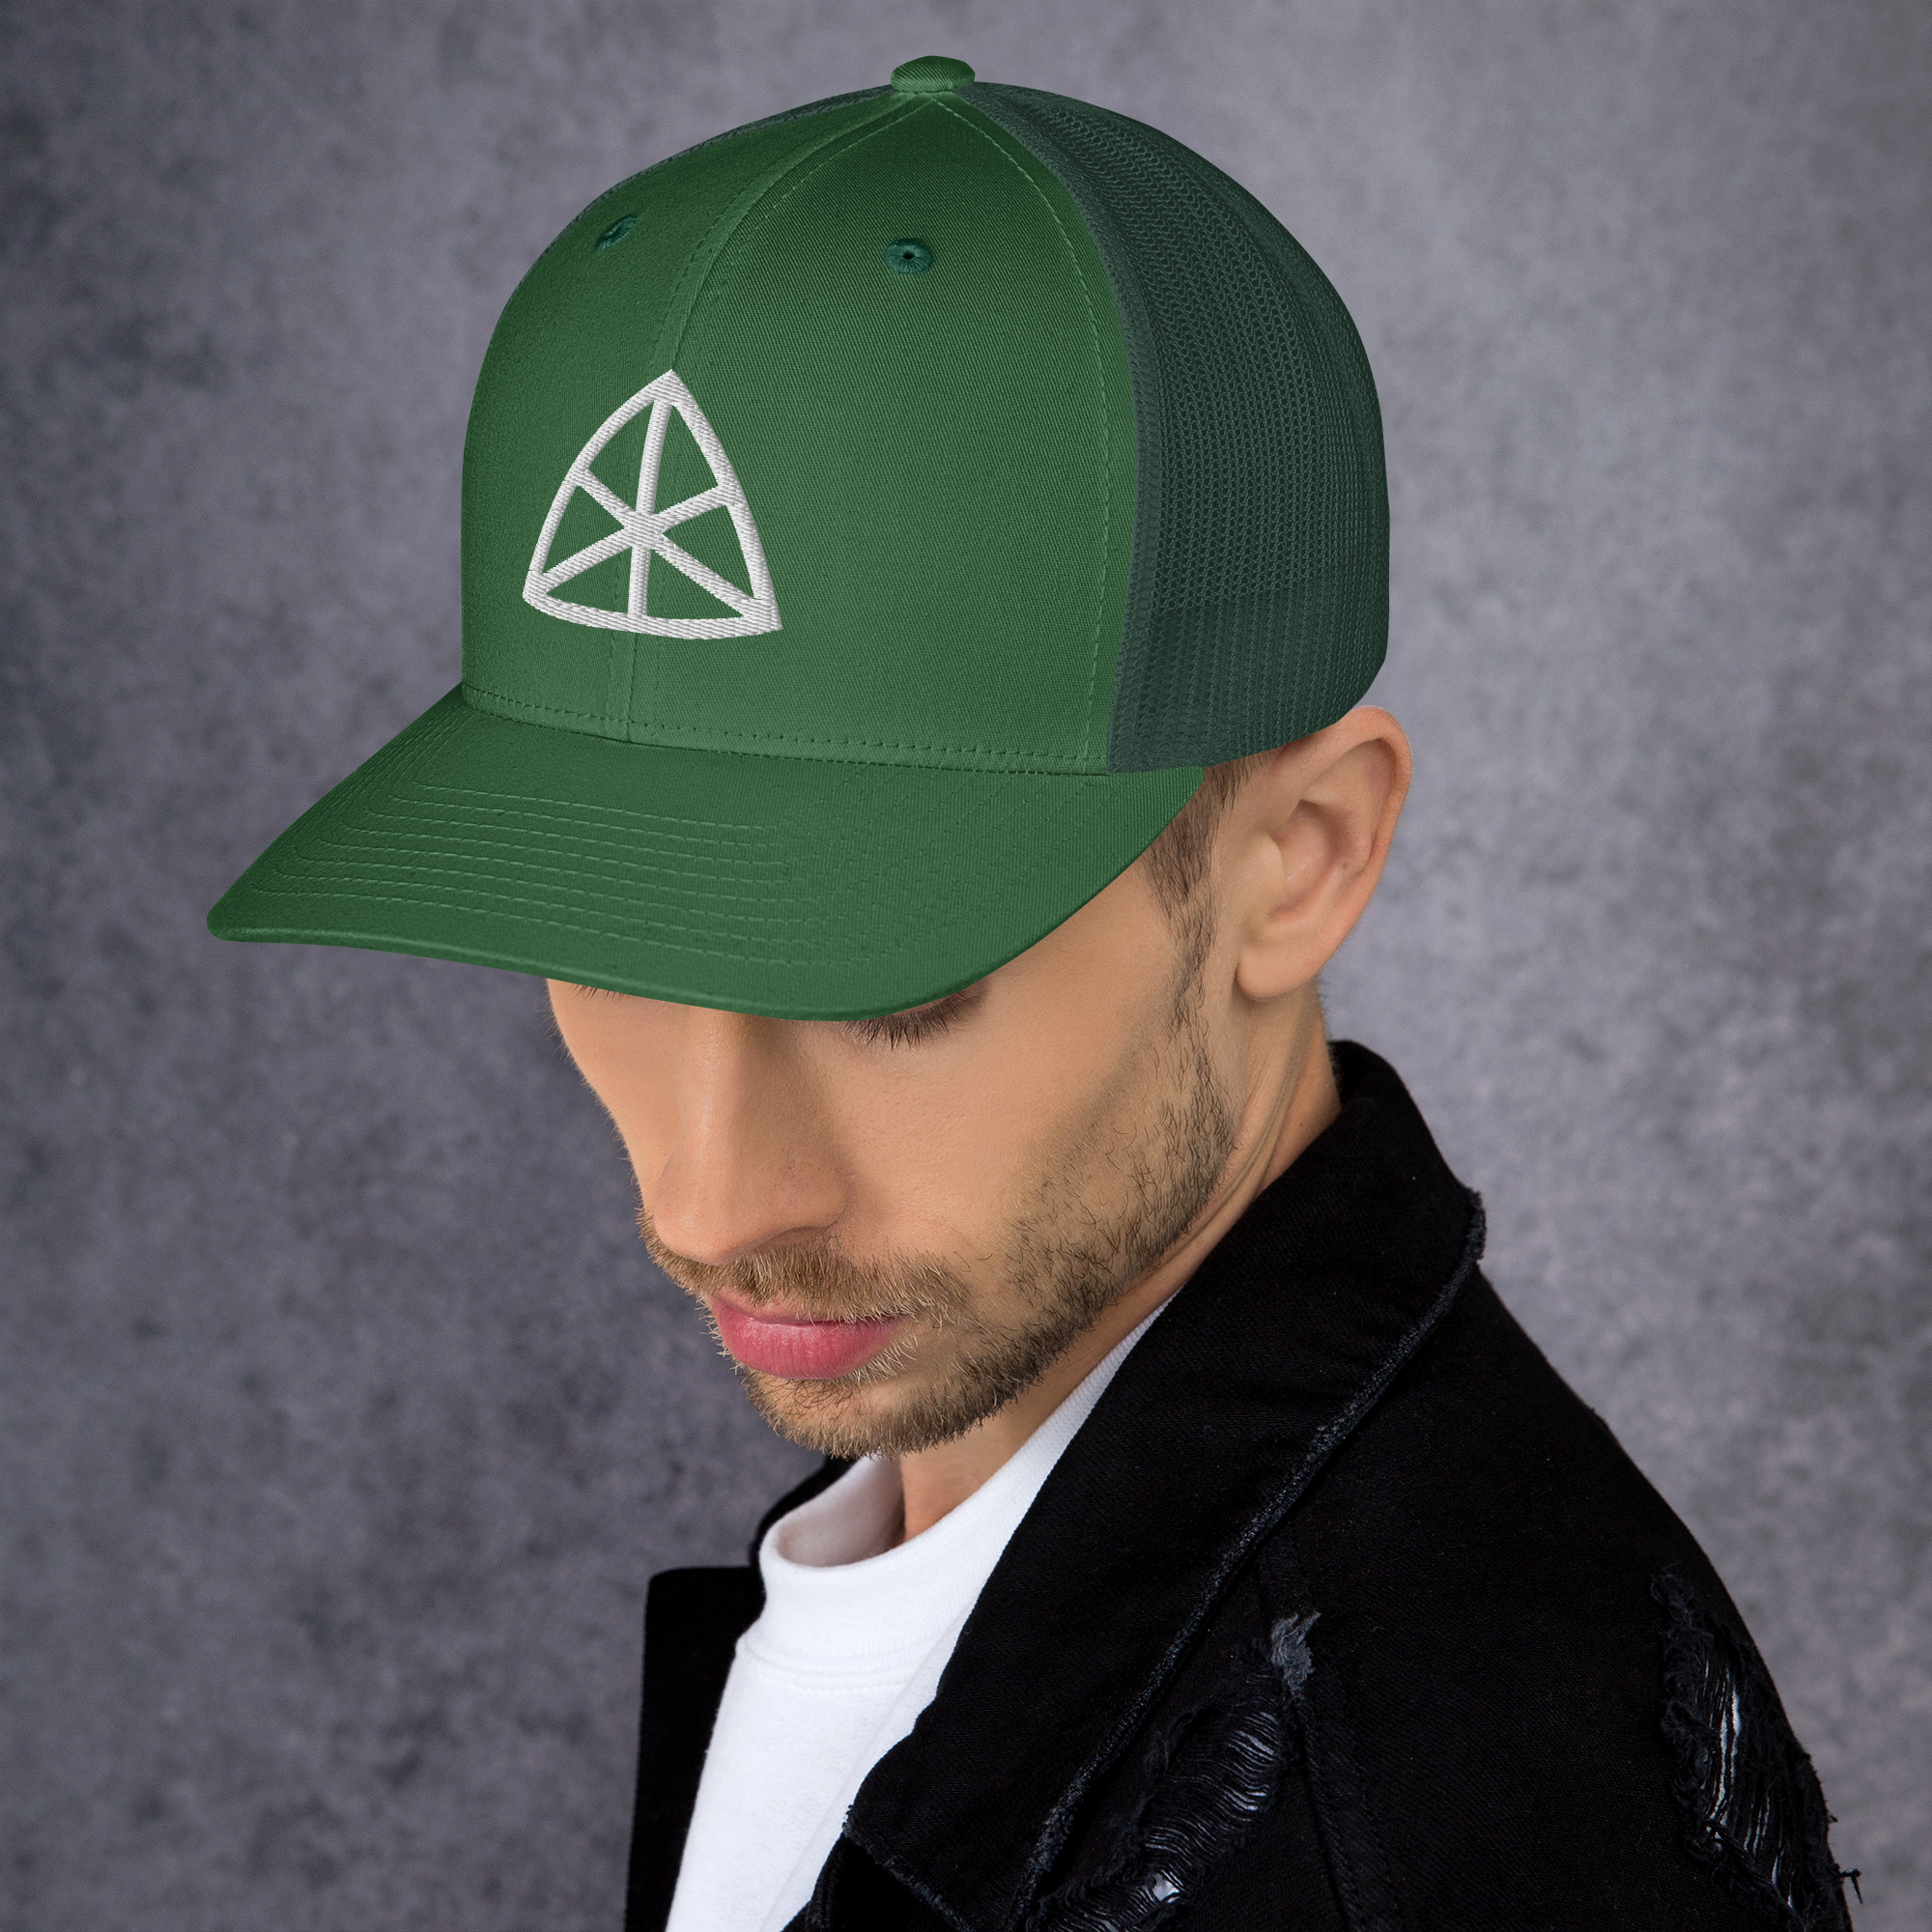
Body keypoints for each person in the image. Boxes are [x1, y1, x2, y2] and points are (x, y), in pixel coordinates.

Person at [209, 54, 1856, 1932]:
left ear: (1297, 858)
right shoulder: (957, 1550)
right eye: (614, 938)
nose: (710, 1201)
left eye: (892, 988)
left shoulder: (1425, 1821)